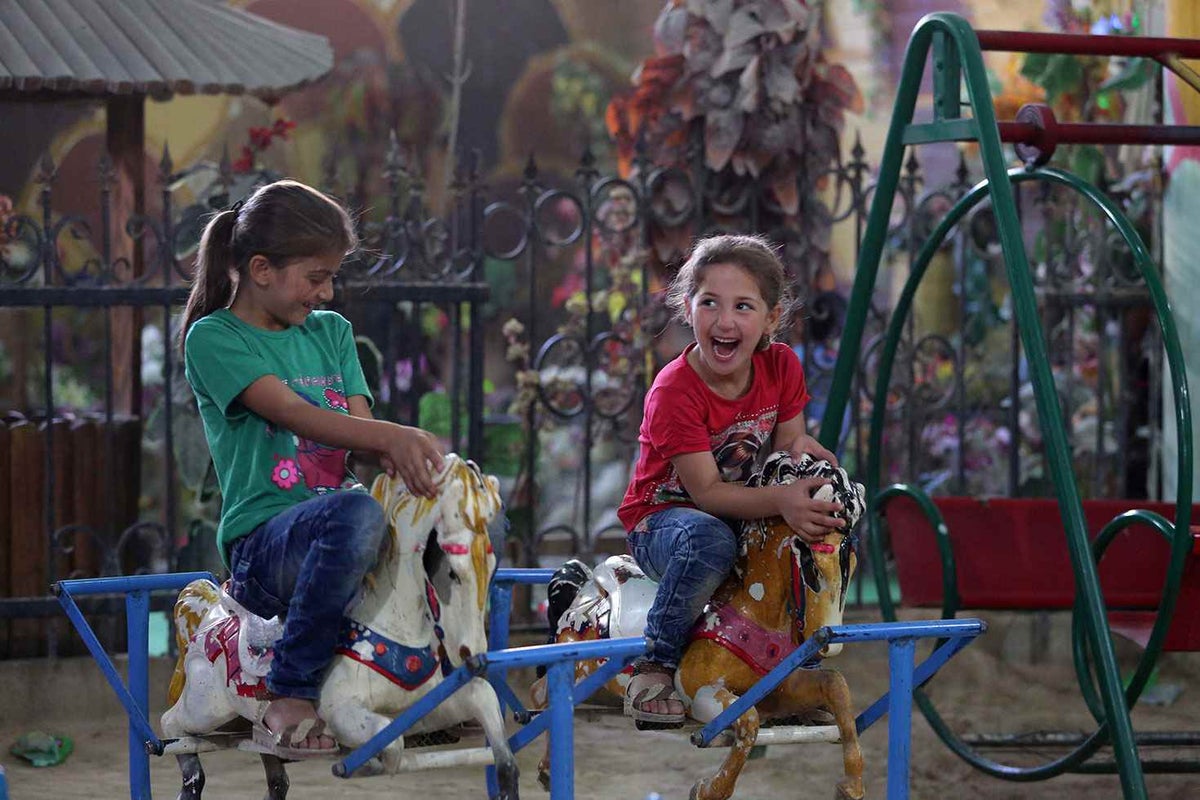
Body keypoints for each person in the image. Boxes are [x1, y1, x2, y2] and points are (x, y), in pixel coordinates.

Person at [180, 180, 444, 758]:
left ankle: (436, 673)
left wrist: (430, 471)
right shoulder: (214, 337)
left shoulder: (333, 333)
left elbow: (363, 434)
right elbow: (296, 414)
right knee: (353, 513)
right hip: (266, 544)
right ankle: (290, 692)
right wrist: (395, 437)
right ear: (261, 269)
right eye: (316, 276)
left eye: (331, 276)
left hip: (345, 526)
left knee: (447, 514)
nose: (326, 292)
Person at [617, 233, 845, 727]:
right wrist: (782, 498)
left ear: (771, 317)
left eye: (743, 306)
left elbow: (788, 445)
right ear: (687, 307)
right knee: (709, 540)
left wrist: (805, 462)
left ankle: (792, 661)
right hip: (663, 522)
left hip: (732, 514)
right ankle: (655, 662)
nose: (724, 321)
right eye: (710, 303)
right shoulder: (675, 391)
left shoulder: (781, 364)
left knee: (822, 518)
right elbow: (708, 494)